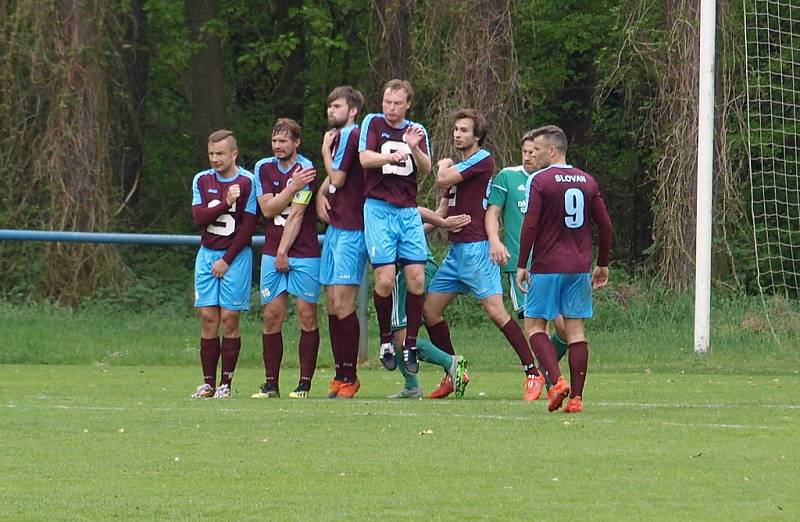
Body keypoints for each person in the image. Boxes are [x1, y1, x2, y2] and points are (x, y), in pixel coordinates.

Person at [423, 109, 546, 402]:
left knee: (496, 312)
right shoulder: (460, 169)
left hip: (477, 249)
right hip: (456, 253)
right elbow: (441, 212)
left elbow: (442, 179)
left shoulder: (482, 159)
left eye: (464, 130)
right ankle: (454, 370)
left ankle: (532, 372)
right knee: (429, 311)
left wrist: (441, 166)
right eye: (455, 129)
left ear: (477, 136)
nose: (457, 134)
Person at [516, 125, 613, 413]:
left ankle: (557, 383)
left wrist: (522, 264)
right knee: (576, 333)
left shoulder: (540, 180)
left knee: (534, 326)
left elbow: (530, 225)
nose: (534, 153)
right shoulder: (587, 180)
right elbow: (606, 226)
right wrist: (603, 263)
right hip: (579, 268)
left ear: (553, 151)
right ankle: (577, 399)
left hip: (547, 266)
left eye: (539, 149)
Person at [358, 79, 431, 373]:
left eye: (397, 103)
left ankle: (410, 343)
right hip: (378, 208)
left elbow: (426, 169)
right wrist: (390, 155)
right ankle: (386, 338)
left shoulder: (417, 131)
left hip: (408, 211)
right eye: (387, 102)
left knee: (416, 279)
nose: (390, 108)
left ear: (408, 105)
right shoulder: (373, 123)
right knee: (385, 280)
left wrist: (413, 148)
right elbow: (364, 159)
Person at [485, 130, 569, 381]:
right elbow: (492, 213)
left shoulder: (555, 180)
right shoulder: (508, 177)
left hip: (552, 264)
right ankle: (545, 380)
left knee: (564, 329)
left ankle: (544, 372)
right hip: (521, 265)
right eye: (525, 151)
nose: (529, 156)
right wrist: (495, 240)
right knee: (536, 325)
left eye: (534, 151)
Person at [251, 118, 320, 399]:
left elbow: (297, 214)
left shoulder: (307, 169)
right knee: (271, 316)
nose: (278, 146)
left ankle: (304, 384)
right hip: (271, 252)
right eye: (275, 141)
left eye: (284, 141)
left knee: (306, 315)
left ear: (296, 142)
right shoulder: (263, 167)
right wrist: (290, 188)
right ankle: (271, 385)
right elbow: (268, 209)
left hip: (303, 252)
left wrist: (283, 251)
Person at [190, 129, 257, 399]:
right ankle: (207, 383)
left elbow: (249, 226)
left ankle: (225, 383)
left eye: (220, 153)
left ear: (234, 154)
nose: (215, 159)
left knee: (229, 319)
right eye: (211, 154)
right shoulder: (202, 180)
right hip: (207, 255)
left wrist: (227, 260)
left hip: (235, 258)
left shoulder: (248, 181)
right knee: (208, 318)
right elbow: (198, 217)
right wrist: (225, 203)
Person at [315, 85, 367, 399]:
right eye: (329, 106)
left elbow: (338, 178)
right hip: (335, 229)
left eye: (337, 106)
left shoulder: (352, 135)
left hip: (353, 230)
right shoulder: (341, 140)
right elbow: (332, 180)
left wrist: (323, 150)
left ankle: (351, 375)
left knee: (344, 305)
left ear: (352, 111)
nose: (331, 111)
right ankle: (339, 374)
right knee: (332, 305)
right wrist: (320, 194)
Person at [387, 207, 471, 399]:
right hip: (421, 266)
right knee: (397, 333)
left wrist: (442, 221)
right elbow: (419, 217)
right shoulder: (392, 202)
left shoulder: (383, 200)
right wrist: (440, 217)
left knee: (401, 335)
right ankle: (411, 386)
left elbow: (416, 210)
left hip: (408, 270)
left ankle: (451, 362)